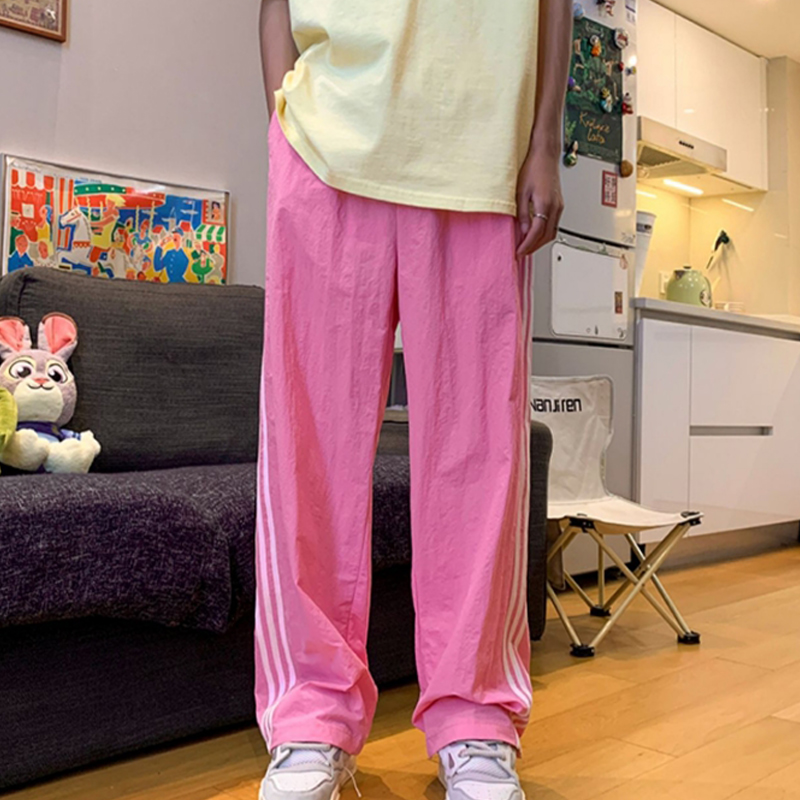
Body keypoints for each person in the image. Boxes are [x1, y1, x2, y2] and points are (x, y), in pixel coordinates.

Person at [256, 2, 572, 800]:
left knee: (480, 456)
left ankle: (475, 719)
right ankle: (308, 719)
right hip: (324, 143)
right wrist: (282, 130)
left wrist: (544, 142)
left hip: (482, 155)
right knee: (306, 449)